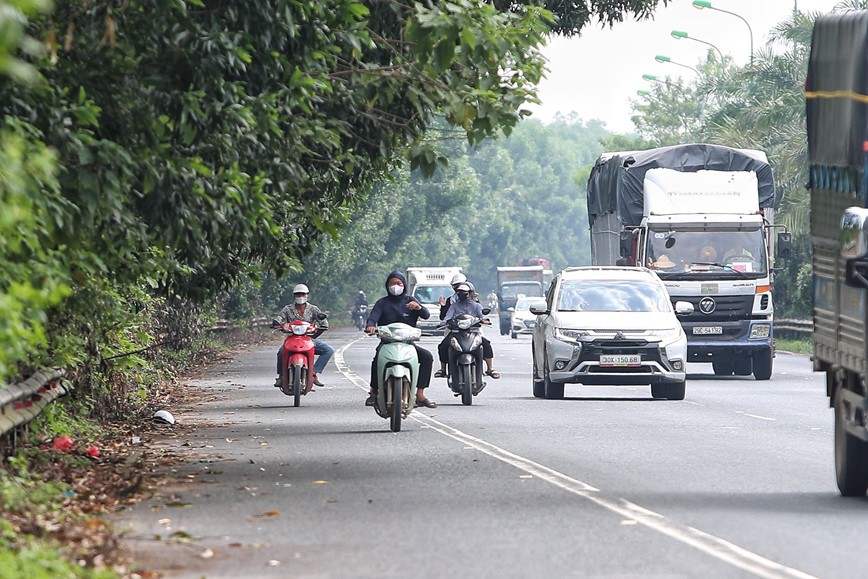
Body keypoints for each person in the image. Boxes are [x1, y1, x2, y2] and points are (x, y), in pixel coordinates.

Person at [364, 271, 436, 408]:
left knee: (427, 357)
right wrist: (371, 326)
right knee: (377, 360)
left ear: (404, 285)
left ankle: (420, 394)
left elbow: (426, 315)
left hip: (408, 343)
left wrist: (418, 308)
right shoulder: (382, 303)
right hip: (387, 343)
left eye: (398, 283)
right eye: (392, 283)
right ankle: (374, 391)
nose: (395, 286)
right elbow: (373, 317)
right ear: (387, 286)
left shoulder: (411, 301)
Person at [436, 281, 500, 380]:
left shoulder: (476, 305)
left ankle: (490, 368)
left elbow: (481, 315)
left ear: (470, 293)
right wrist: (444, 323)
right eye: (460, 292)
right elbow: (447, 317)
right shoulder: (454, 306)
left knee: (486, 344)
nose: (462, 295)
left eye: (465, 293)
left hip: (473, 332)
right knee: (443, 346)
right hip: (456, 332)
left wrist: (484, 320)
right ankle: (443, 369)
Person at [274, 284, 334, 387]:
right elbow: (280, 318)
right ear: (294, 296)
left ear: (307, 295)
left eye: (303, 294)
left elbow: (324, 323)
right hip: (291, 339)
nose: (300, 296)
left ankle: (314, 373)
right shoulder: (287, 309)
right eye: (298, 294)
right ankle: (281, 376)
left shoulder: (313, 309)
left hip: (308, 339)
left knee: (328, 350)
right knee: (280, 353)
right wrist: (276, 323)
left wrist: (314, 335)